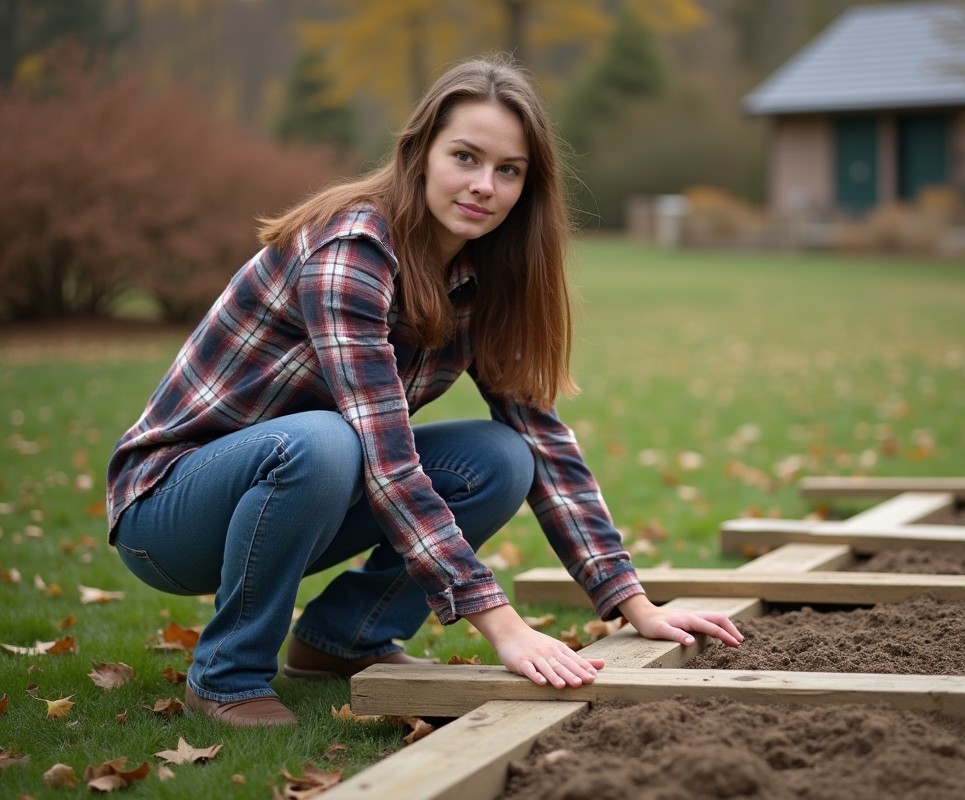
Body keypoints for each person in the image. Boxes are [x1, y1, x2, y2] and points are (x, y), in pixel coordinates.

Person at [105, 56, 743, 727]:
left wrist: (632, 603)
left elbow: (544, 441)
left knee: (503, 457)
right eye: (465, 157)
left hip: (302, 495)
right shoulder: (351, 248)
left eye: (509, 170)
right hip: (170, 511)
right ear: (419, 152)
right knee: (325, 440)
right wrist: (499, 623)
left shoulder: (484, 275)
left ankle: (344, 642)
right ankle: (227, 675)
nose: (484, 186)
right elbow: (385, 456)